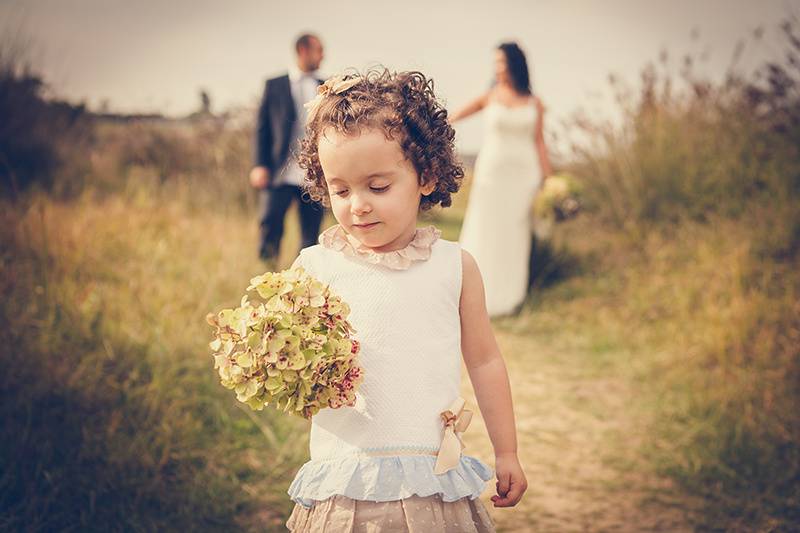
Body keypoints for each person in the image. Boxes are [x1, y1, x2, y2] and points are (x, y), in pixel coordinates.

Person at [284, 69, 527, 532]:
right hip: (346, 482)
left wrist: (507, 450)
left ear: (427, 176)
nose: (358, 204)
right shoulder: (315, 268)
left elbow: (485, 362)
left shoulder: (454, 266)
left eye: (378, 187)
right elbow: (297, 360)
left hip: (432, 483)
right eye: (340, 190)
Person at [450, 42, 552, 317]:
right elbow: (454, 117)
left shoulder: (535, 102)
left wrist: (550, 181)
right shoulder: (489, 96)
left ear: (515, 65)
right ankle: (471, 295)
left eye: (502, 62)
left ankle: (509, 298)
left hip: (524, 176)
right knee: (486, 226)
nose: (497, 68)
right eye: (495, 62)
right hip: (492, 174)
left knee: (514, 233)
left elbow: (540, 142)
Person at [249, 33, 326, 262]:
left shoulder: (325, 86)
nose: (323, 56)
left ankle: (304, 274)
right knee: (270, 221)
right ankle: (266, 270)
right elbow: (262, 128)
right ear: (303, 50)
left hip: (313, 172)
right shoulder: (274, 85)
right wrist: (259, 165)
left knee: (310, 230)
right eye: (318, 50)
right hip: (280, 169)